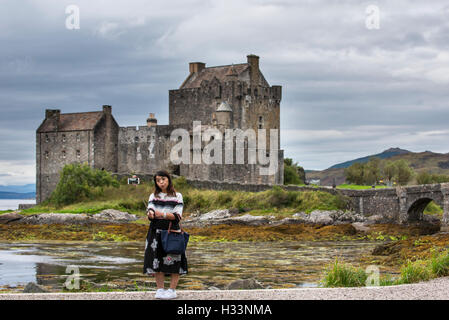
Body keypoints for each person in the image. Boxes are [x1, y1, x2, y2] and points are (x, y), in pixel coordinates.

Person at [142, 170, 187, 299]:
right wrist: (150, 214)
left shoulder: (177, 196)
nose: (161, 182)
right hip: (155, 232)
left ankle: (172, 290)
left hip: (172, 231)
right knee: (156, 260)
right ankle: (160, 289)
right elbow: (150, 210)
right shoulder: (153, 196)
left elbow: (177, 216)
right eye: (158, 180)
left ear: (168, 180)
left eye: (163, 179)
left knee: (175, 260)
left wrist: (162, 214)